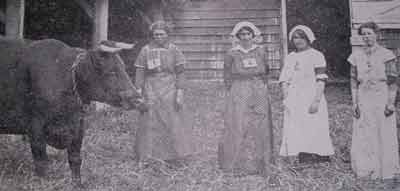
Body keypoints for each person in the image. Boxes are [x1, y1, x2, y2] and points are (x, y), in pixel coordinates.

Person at [218, 21, 274, 175]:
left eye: (248, 34)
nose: (245, 37)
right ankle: (236, 163)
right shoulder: (232, 53)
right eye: (242, 34)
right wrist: (232, 92)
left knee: (260, 123)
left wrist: (263, 87)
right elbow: (227, 75)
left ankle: (262, 163)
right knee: (238, 123)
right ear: (237, 36)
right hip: (239, 88)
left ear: (253, 35)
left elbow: (266, 71)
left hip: (258, 88)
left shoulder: (261, 51)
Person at [134, 21, 193, 166]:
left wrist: (180, 91)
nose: (159, 37)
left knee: (172, 119)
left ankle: (176, 156)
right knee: (150, 120)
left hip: (169, 87)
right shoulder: (145, 50)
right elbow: (140, 72)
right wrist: (139, 91)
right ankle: (147, 156)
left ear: (167, 35)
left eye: (162, 34)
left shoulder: (174, 49)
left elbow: (181, 73)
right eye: (156, 35)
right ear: (152, 36)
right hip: (151, 87)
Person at [347, 21, 399, 180]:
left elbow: (393, 80)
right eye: (364, 34)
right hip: (363, 97)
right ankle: (366, 169)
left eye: (370, 33)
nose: (367, 37)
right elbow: (354, 80)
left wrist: (390, 103)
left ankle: (385, 169)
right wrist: (355, 103)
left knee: (382, 131)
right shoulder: (355, 56)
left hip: (381, 96)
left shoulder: (387, 55)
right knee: (364, 132)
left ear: (377, 35)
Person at [278, 25, 334, 164]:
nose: (298, 40)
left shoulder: (316, 55)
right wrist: (286, 98)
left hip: (312, 94)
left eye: (301, 37)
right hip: (295, 96)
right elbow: (284, 79)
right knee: (299, 125)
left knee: (315, 123)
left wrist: (316, 100)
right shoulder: (291, 57)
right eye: (295, 37)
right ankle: (304, 155)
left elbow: (321, 79)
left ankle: (321, 155)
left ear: (308, 38)